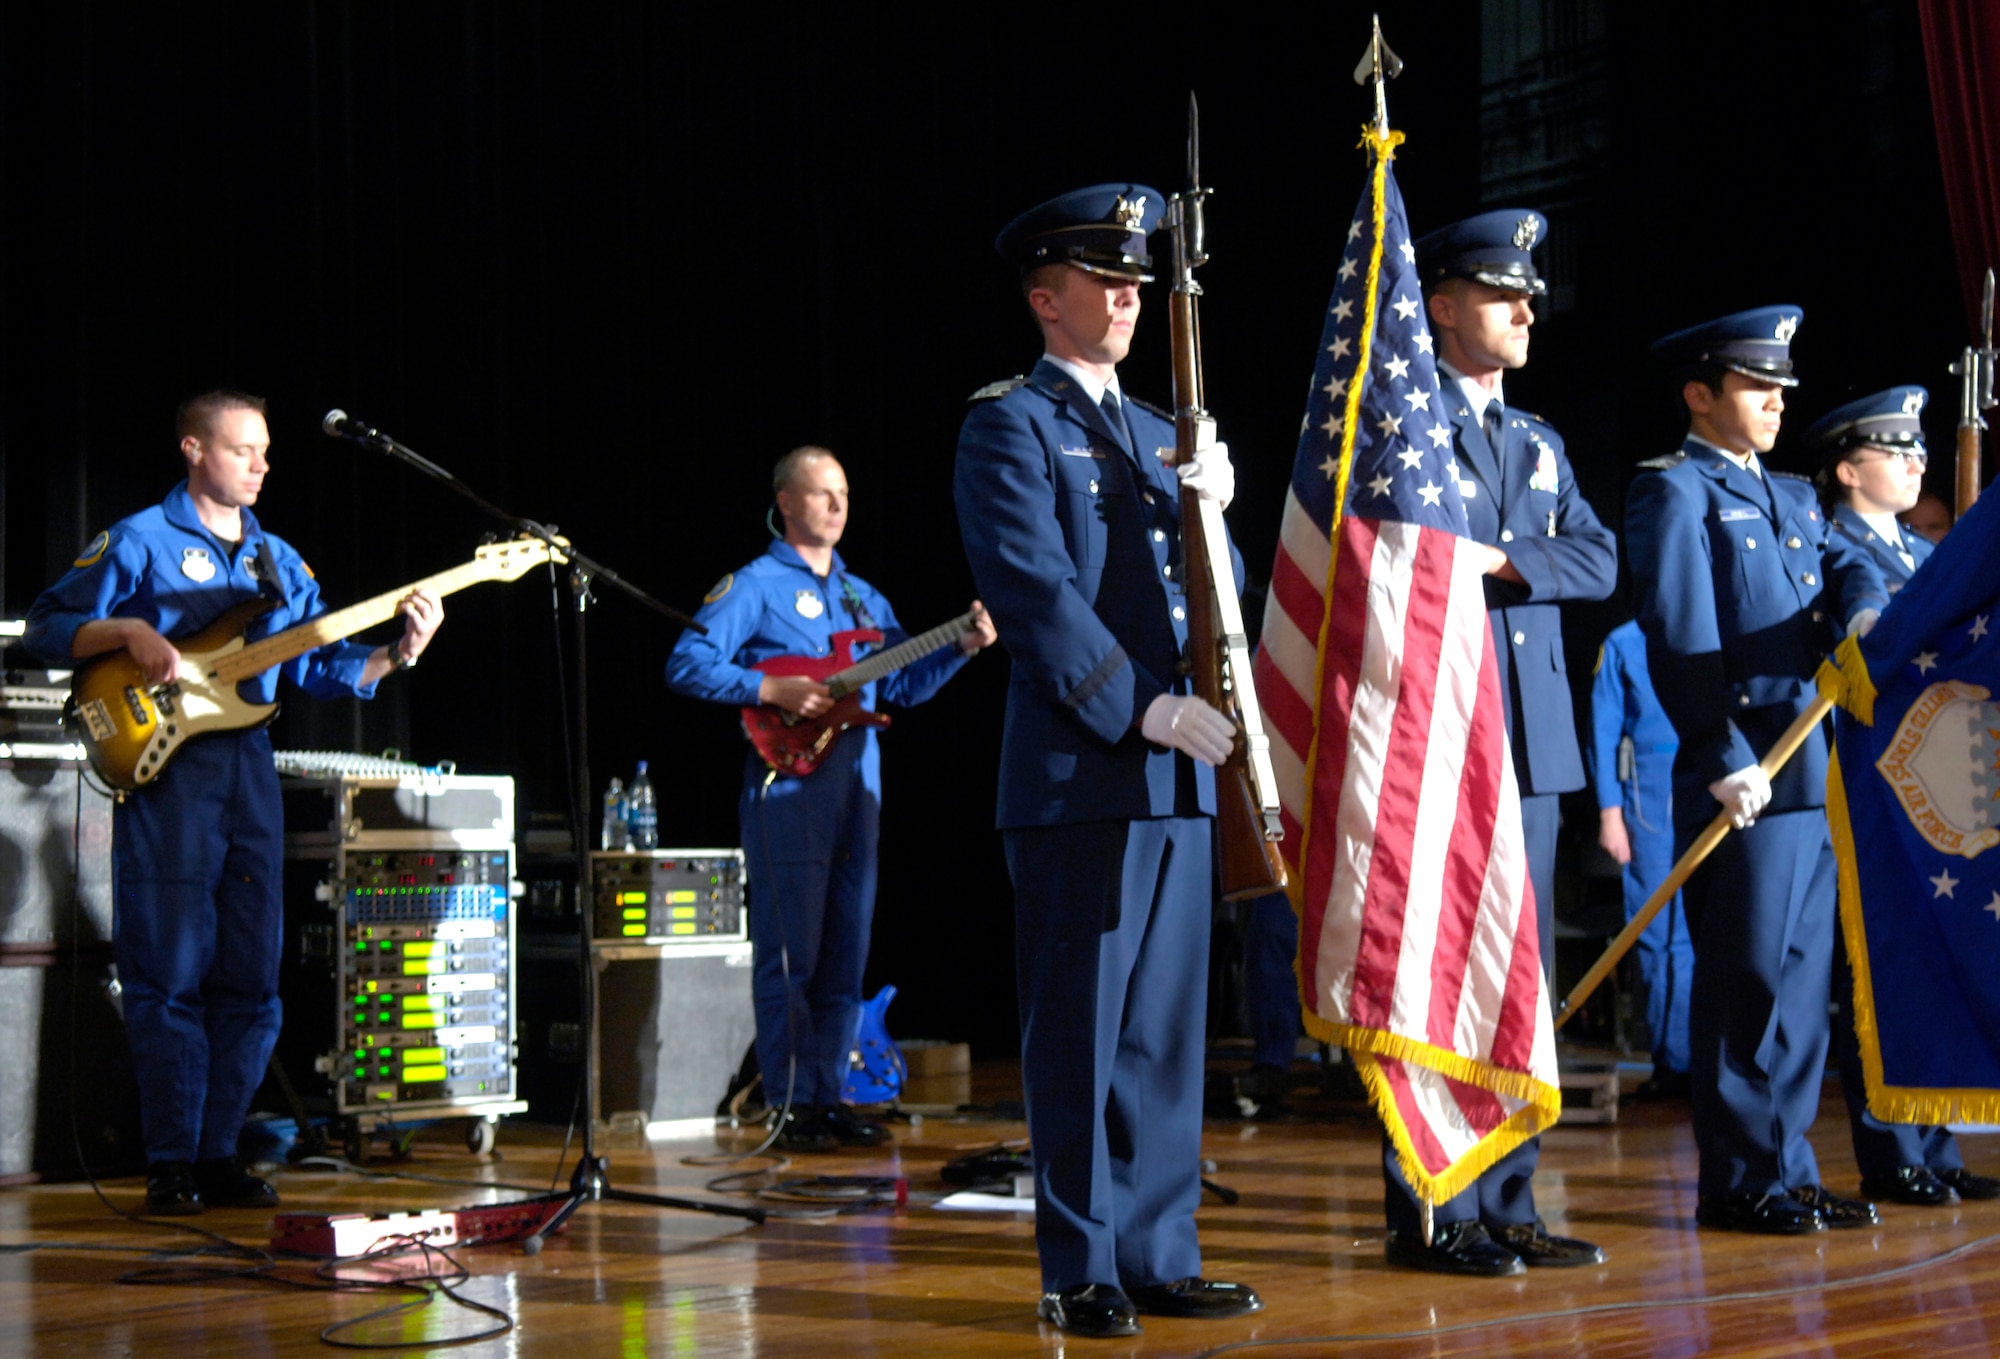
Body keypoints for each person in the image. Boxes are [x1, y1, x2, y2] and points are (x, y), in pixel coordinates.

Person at [953, 184, 1259, 1339]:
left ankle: (1155, 1250)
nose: (1129, 294)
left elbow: (1202, 597)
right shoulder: (1007, 424)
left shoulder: (1155, 430)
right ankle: (1078, 1265)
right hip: (1087, 769)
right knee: (1079, 1035)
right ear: (1045, 298)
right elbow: (1032, 594)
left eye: (1137, 279)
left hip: (1185, 772)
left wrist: (1218, 515)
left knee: (1167, 1034)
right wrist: (1139, 710)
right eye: (1103, 277)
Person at [25, 391, 443, 1214]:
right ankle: (171, 1160)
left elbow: (322, 665)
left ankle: (219, 1151)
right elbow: (46, 627)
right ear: (192, 449)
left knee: (252, 976)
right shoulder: (141, 539)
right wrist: (126, 634)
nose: (260, 464)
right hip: (171, 770)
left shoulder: (278, 562)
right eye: (241, 449)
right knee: (168, 970)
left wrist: (397, 654)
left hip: (250, 768)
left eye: (264, 450)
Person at [1371, 209, 1615, 1276]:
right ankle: (1432, 1205)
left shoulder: (1536, 441)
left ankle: (1508, 1199)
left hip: (1533, 742)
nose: (1525, 308)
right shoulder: (1402, 426)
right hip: (1440, 731)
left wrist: (1504, 560)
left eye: (1528, 295)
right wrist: (1484, 559)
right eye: (1498, 292)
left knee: (1515, 974)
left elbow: (1600, 561)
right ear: (1439, 306)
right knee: (1431, 971)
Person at [1626, 309, 1889, 1236]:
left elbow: (1849, 564)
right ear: (1702, 395)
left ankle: (1789, 1165)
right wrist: (1717, 755)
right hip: (1749, 774)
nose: (1776, 401)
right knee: (1746, 982)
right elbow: (1683, 635)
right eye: (1754, 385)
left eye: (1781, 386)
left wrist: (1858, 611)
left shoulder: (1792, 495)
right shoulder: (1676, 492)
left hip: (1811, 772)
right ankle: (1739, 1178)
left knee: (1800, 983)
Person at [665, 447, 994, 1152]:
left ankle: (827, 1094)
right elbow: (687, 663)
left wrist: (961, 647)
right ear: (786, 501)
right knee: (793, 952)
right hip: (789, 789)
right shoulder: (754, 585)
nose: (838, 506)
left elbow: (901, 685)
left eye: (843, 493)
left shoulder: (863, 597)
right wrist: (770, 688)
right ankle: (787, 1102)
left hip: (859, 787)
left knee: (847, 950)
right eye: (822, 494)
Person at [1807, 386, 2000, 1207]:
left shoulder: (1925, 557)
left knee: (1923, 956)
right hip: (1855, 799)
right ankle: (1892, 1153)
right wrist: (1869, 631)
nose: (1916, 461)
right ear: (1850, 471)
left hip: (1920, 802)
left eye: (1921, 448)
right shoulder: (1837, 543)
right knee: (1874, 966)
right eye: (1896, 450)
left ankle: (1934, 1142)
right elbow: (1865, 614)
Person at [1587, 619, 1692, 1101]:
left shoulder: (1707, 624)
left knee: (1703, 935)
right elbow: (1602, 732)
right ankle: (1671, 1062)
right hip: (1650, 795)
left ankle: (1703, 1061)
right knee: (1657, 933)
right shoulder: (1623, 642)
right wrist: (1610, 812)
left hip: (1708, 783)